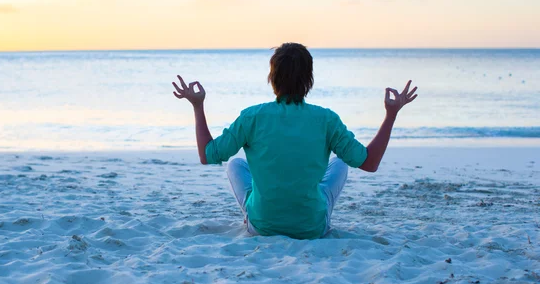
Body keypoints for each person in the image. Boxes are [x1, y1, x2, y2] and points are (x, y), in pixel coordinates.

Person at [172, 43, 418, 239]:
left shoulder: (253, 116)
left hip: (262, 226)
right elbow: (369, 162)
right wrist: (391, 114)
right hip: (311, 228)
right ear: (308, 80)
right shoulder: (326, 119)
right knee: (341, 163)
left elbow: (208, 155)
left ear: (272, 78)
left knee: (234, 164)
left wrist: (197, 105)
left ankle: (252, 216)